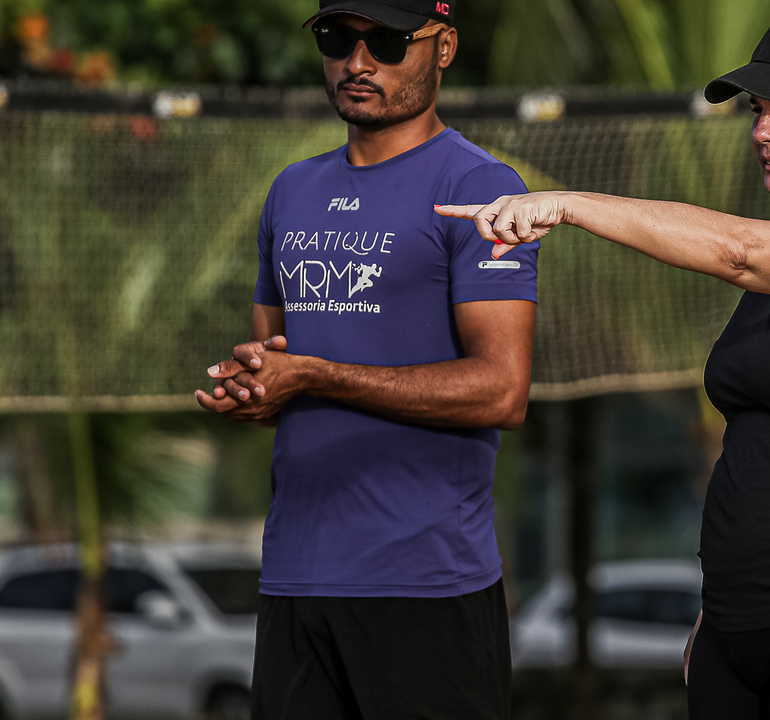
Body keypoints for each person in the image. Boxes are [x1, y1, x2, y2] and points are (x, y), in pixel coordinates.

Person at [437, 2, 770, 718]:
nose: (763, 131)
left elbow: (739, 251)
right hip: (743, 626)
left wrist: (565, 205)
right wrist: (722, 614)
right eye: (759, 111)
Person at [195, 0, 539, 718]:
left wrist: (315, 374)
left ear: (443, 46)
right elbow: (277, 369)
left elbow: (502, 391)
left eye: (386, 42)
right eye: (337, 38)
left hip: (428, 584)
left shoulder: (478, 187)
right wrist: (252, 388)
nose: (357, 63)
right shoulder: (291, 190)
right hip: (295, 579)